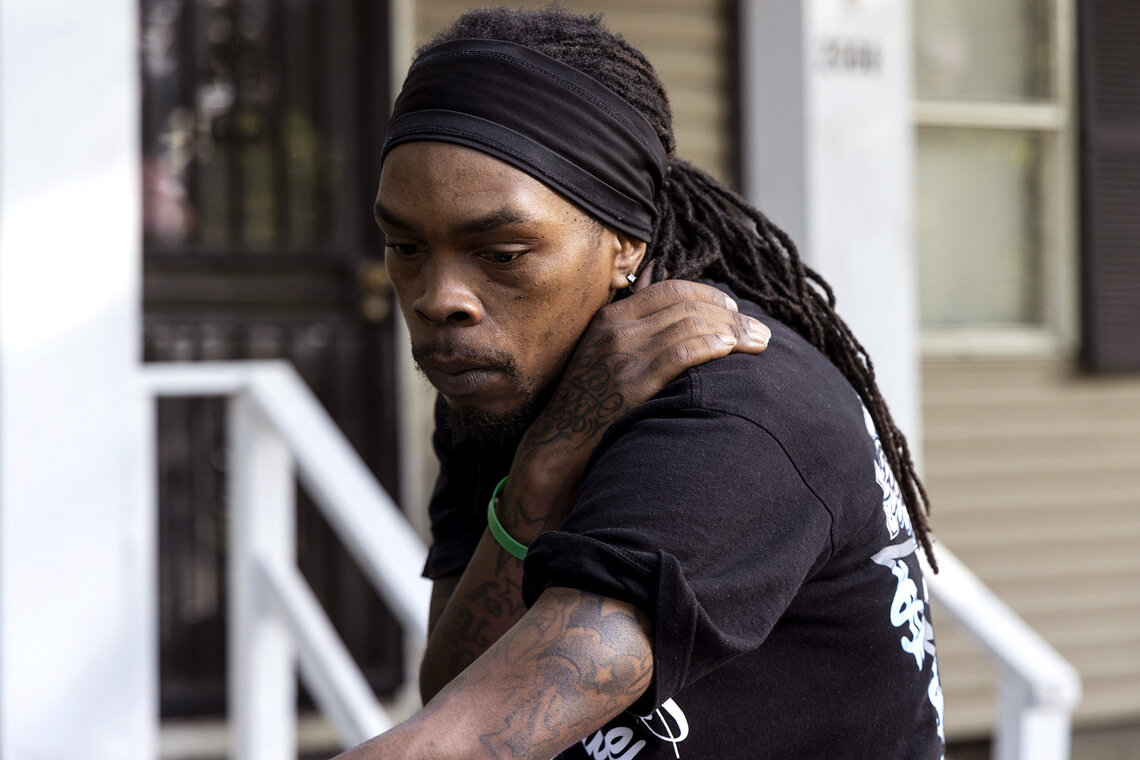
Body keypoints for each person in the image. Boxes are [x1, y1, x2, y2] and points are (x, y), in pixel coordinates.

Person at [338, 7, 943, 759]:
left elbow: (468, 740)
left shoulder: (727, 417)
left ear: (628, 242)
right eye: (405, 245)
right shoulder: (500, 382)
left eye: (501, 253)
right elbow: (454, 682)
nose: (439, 298)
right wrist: (545, 466)